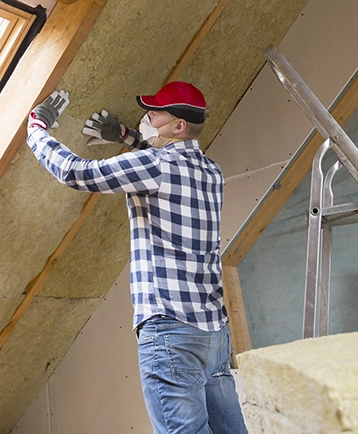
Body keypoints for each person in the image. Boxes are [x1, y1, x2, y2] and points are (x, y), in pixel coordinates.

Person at [26, 81, 247, 434]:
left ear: (177, 126)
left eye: (155, 112)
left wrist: (36, 129)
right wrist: (125, 135)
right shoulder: (211, 172)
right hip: (214, 334)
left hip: (170, 330)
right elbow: (165, 161)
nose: (148, 115)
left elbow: (76, 173)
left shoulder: (154, 164)